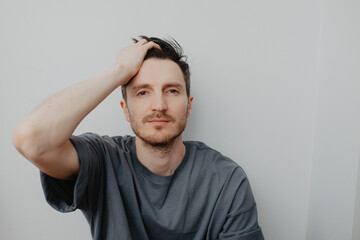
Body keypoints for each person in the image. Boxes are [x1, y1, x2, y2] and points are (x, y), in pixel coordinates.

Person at [12, 36, 264, 240]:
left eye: (172, 90)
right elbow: (30, 138)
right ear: (125, 109)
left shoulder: (227, 180)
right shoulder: (102, 160)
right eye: (143, 92)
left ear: (188, 106)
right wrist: (119, 71)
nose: (159, 105)